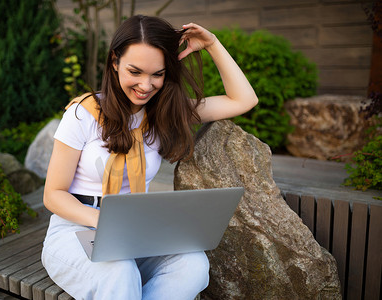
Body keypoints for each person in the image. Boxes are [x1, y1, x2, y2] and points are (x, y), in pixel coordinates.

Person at [41, 15, 258, 300]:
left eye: (157, 74)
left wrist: (213, 44)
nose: (146, 85)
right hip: (76, 228)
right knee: (119, 271)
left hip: (134, 228)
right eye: (136, 71)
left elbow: (243, 100)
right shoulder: (84, 114)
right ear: (115, 62)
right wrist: (105, 222)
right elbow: (53, 195)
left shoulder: (163, 114)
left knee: (192, 265)